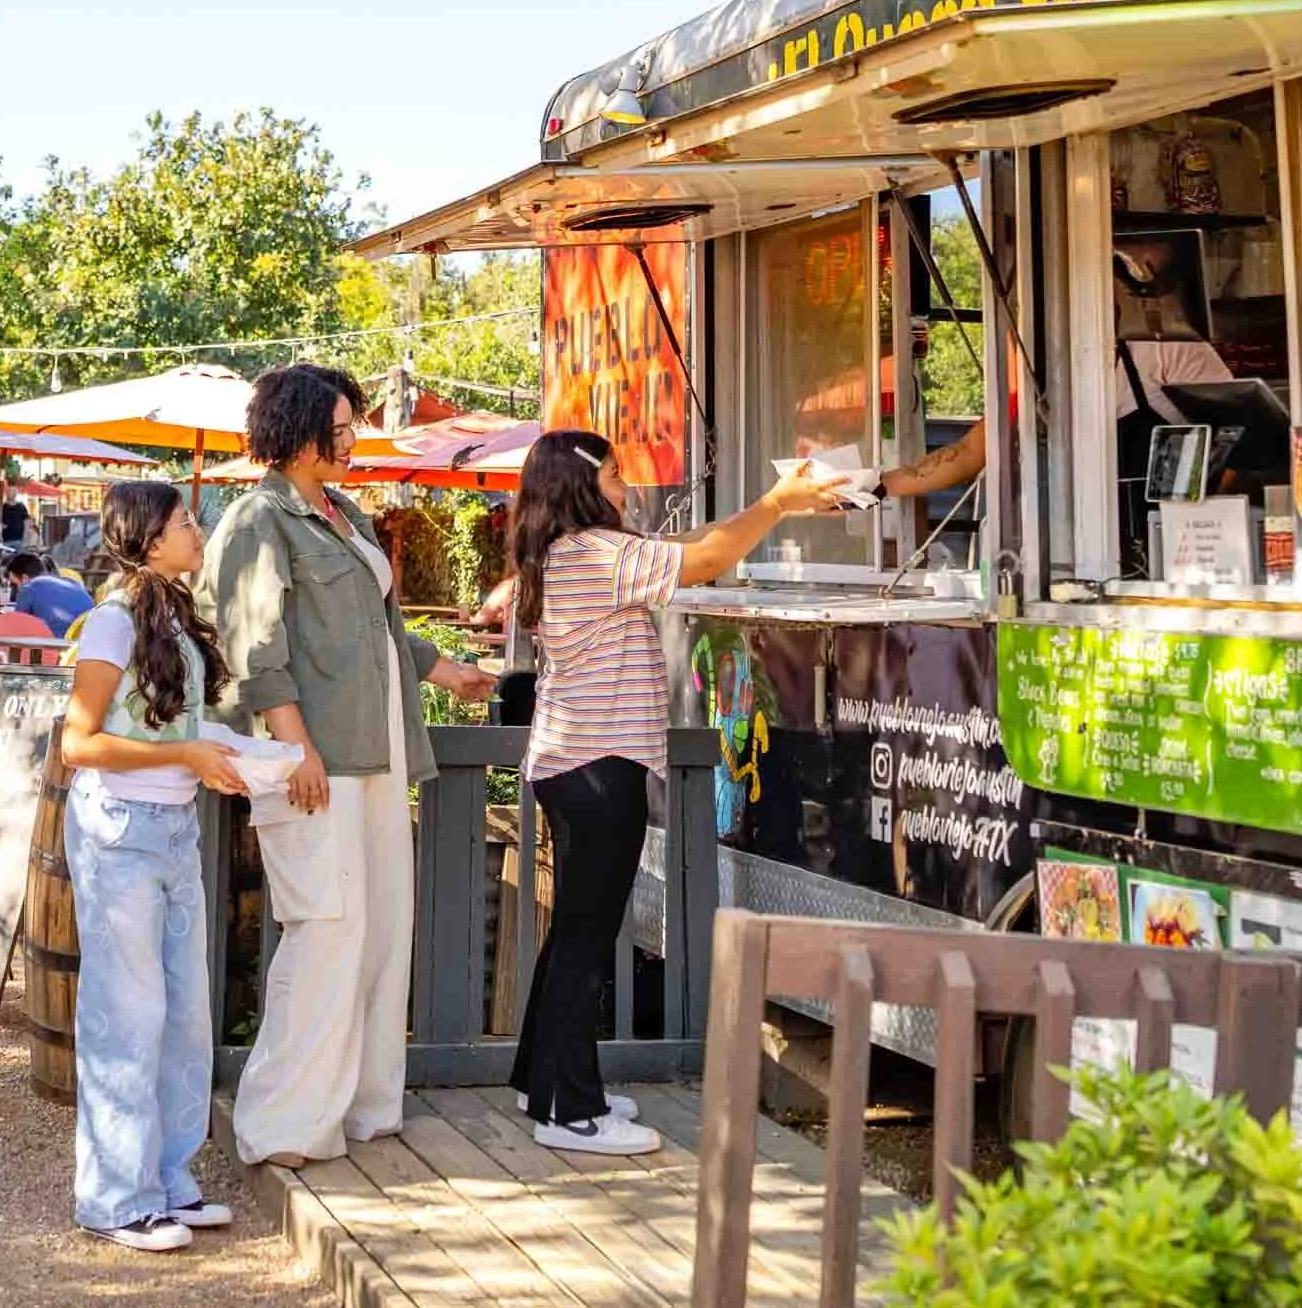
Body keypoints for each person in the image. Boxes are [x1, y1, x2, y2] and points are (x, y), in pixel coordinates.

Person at [507, 430, 844, 1154]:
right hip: (600, 767)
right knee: (588, 937)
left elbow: (691, 543)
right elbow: (712, 559)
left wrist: (764, 508)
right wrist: (779, 502)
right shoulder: (599, 556)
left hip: (574, 763)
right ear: (580, 484)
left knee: (574, 929)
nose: (627, 484)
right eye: (615, 474)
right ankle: (570, 1110)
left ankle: (552, 1082)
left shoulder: (571, 552)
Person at [199, 364, 495, 1169]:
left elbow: (384, 630)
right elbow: (255, 649)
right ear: (298, 430)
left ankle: (363, 1103)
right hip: (315, 759)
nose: (353, 438)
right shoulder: (259, 520)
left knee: (378, 932)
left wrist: (448, 671)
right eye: (341, 426)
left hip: (379, 752)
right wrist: (296, 747)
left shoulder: (348, 511)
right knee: (324, 932)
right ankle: (283, 1122)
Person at [58, 483, 245, 1251]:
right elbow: (78, 741)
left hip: (172, 828)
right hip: (122, 829)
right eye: (183, 520)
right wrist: (187, 755)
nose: (196, 530)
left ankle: (167, 1175)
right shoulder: (110, 622)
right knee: (126, 1012)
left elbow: (179, 732)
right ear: (147, 535)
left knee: (180, 1010)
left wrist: (217, 759)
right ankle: (114, 1196)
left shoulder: (171, 616)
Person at [6, 551, 94, 637]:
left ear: (25, 578)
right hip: (88, 639)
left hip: (59, 644)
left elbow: (17, 626)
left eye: (14, 584)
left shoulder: (28, 588)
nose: (15, 589)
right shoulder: (71, 582)